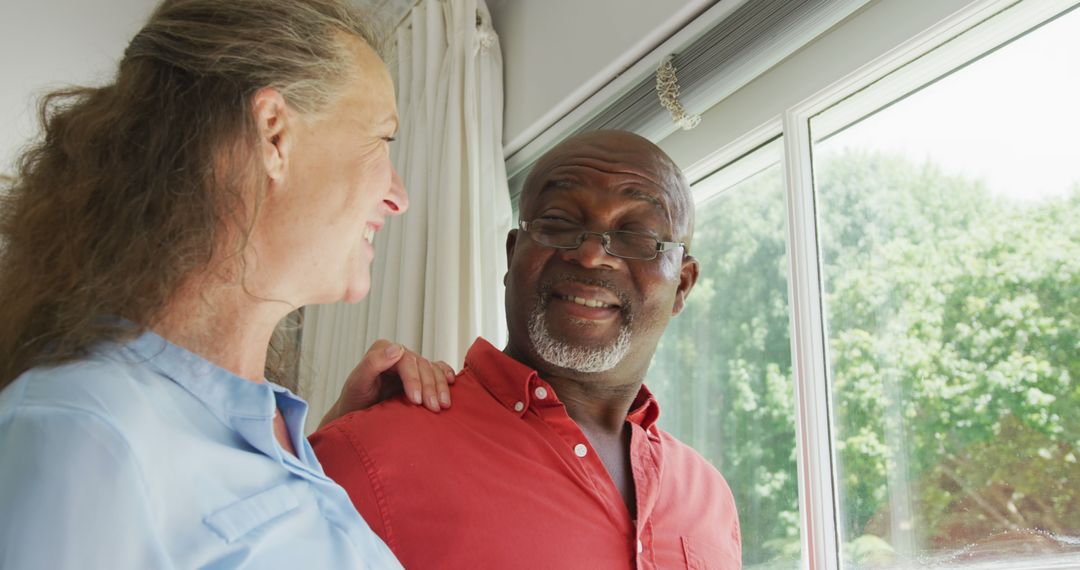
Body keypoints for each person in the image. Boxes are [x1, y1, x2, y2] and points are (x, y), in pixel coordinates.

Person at [0, 1, 455, 567]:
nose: (398, 195)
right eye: (383, 140)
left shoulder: (277, 435)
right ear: (273, 135)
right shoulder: (83, 434)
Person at [312, 130, 743, 568]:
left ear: (681, 287)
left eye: (635, 235)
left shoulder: (710, 498)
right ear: (513, 255)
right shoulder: (367, 451)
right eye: (559, 223)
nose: (592, 255)